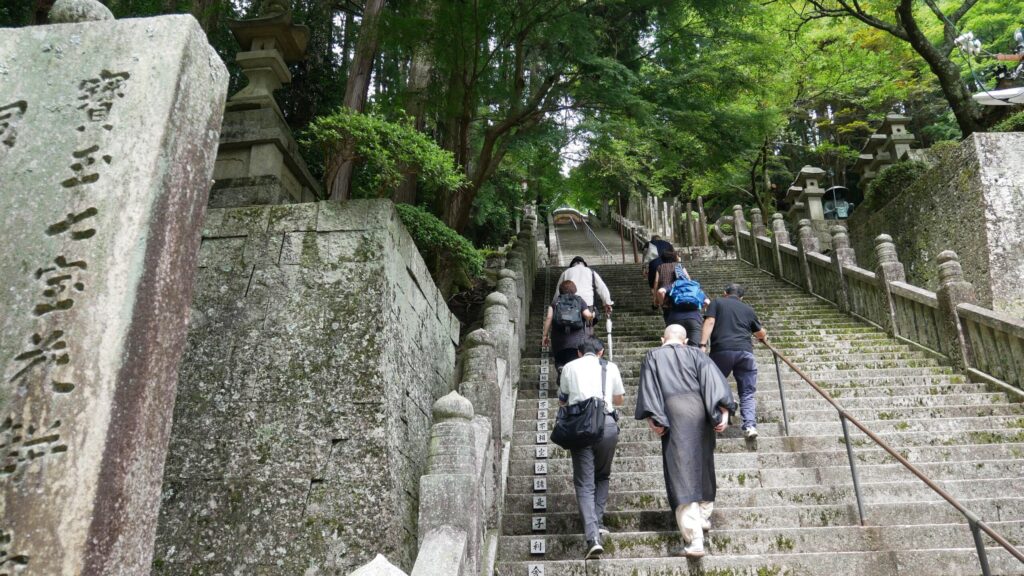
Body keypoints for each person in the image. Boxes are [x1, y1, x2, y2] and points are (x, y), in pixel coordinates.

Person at [634, 325, 736, 558]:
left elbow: (650, 389)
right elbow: (716, 383)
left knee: (680, 472)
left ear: (663, 339)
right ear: (686, 339)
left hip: (674, 413)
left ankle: (695, 539)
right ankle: (703, 515)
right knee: (703, 464)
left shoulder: (653, 356)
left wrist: (654, 418)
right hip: (700, 411)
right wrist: (725, 413)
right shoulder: (698, 354)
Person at [558, 336, 625, 559]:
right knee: (603, 475)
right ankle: (597, 520)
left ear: (579, 352)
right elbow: (620, 399)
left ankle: (593, 538)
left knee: (584, 483)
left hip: (582, 428)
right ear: (601, 352)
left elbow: (563, 400)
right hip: (607, 424)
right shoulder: (610, 367)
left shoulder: (569, 367)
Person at [700, 283, 767, 439]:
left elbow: (709, 322)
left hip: (722, 350)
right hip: (745, 352)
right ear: (741, 297)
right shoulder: (748, 309)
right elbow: (760, 333)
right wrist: (764, 336)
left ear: (725, 293)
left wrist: (702, 345)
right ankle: (750, 426)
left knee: (713, 384)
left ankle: (724, 408)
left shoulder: (717, 302)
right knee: (748, 392)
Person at [652, 249, 709, 344]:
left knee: (671, 324)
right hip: (683, 298)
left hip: (666, 299)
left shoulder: (660, 267)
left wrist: (656, 300)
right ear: (674, 258)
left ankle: (674, 338)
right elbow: (688, 280)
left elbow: (656, 282)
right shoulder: (679, 266)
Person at [542, 280, 595, 374]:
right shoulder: (579, 300)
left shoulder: (555, 301)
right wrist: (593, 314)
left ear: (560, 290)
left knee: (560, 359)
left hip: (558, 340)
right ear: (574, 289)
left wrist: (545, 336)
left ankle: (561, 368)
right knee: (575, 365)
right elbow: (587, 316)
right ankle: (571, 379)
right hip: (576, 340)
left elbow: (549, 318)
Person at [642, 235, 674, 307]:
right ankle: (665, 302)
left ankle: (655, 302)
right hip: (666, 267)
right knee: (667, 284)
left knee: (653, 285)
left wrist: (644, 268)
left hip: (653, 266)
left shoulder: (649, 243)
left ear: (652, 239)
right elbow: (673, 256)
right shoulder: (668, 244)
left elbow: (645, 255)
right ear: (660, 239)